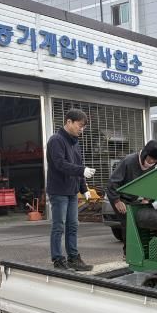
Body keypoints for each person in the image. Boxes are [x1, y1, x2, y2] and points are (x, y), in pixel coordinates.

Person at [46, 108, 95, 271]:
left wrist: (84, 188)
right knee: (59, 226)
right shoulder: (56, 140)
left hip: (72, 191)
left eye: (83, 127)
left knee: (73, 225)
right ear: (69, 122)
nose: (82, 129)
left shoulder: (75, 143)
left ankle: (73, 258)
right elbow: (60, 164)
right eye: (80, 125)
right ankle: (58, 259)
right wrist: (81, 171)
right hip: (59, 190)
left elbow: (78, 166)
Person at [106, 140, 157, 255]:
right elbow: (112, 183)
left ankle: (145, 250)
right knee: (129, 223)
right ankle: (129, 253)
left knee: (146, 219)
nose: (151, 162)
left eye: (154, 160)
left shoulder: (152, 166)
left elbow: (150, 184)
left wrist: (147, 199)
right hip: (119, 196)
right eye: (150, 159)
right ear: (145, 154)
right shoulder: (129, 161)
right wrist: (116, 201)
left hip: (133, 197)